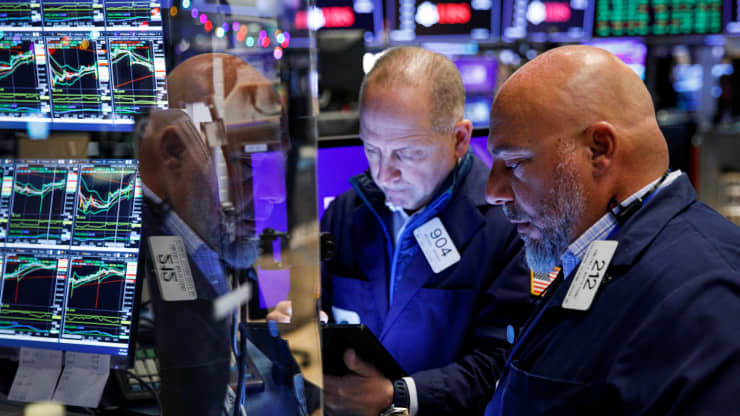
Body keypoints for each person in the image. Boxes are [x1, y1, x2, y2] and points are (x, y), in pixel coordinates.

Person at [484, 45, 740, 415]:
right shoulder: (597, 248)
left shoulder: (709, 302)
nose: (493, 192)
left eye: (516, 163)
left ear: (599, 150)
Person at [299, 46, 531, 415]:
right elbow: (315, 308)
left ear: (459, 139)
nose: (382, 173)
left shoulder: (509, 225)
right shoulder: (345, 211)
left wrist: (399, 395)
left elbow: (502, 363)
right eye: (371, 148)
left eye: (405, 154)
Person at [137, 53, 308, 416]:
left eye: (274, 163)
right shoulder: (128, 264)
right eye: (246, 164)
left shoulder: (213, 244)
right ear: (174, 152)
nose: (271, 194)